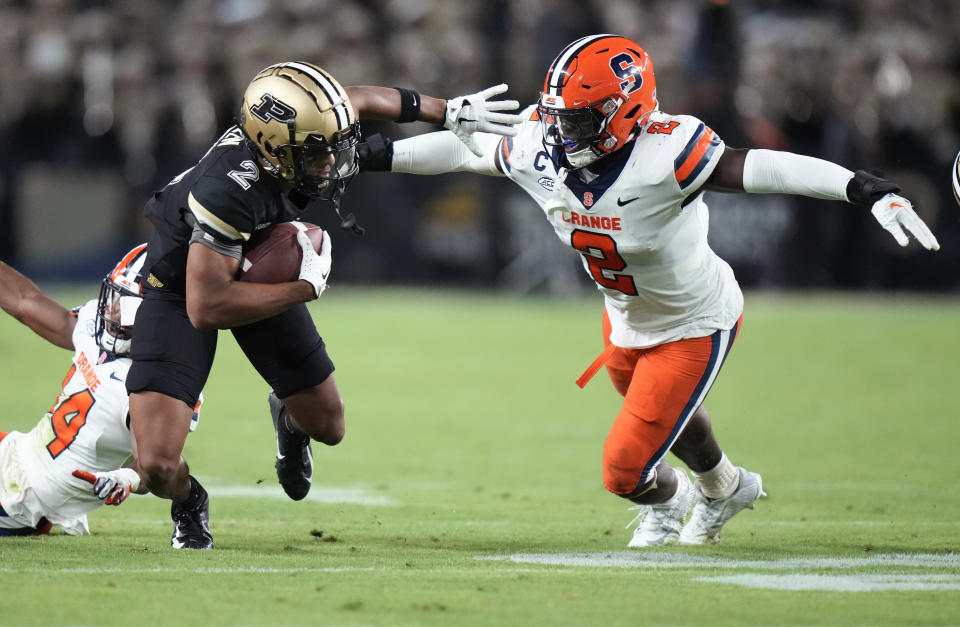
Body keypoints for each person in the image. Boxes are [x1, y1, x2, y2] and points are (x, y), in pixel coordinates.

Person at [359, 34, 940, 547]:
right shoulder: (541, 143)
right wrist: (380, 155)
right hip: (624, 319)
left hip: (694, 321)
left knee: (624, 468)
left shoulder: (668, 151)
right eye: (560, 115)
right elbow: (468, 149)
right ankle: (726, 488)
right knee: (673, 417)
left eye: (581, 119)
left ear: (626, 111)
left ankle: (670, 504)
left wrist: (863, 188)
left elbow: (764, 167)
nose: (563, 129)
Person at [124, 61, 524, 549]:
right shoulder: (227, 190)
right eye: (318, 155)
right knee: (157, 466)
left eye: (334, 147)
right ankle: (190, 501)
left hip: (250, 265)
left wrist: (447, 111)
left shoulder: (306, 133)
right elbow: (206, 307)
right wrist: (302, 288)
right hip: (182, 288)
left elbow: (359, 97)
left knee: (328, 427)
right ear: (273, 151)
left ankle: (289, 420)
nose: (331, 163)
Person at [0, 245, 200, 536]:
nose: (116, 310)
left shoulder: (160, 379)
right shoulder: (96, 325)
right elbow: (23, 300)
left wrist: (127, 478)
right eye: (118, 295)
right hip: (13, 452)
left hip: (26, 499)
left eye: (131, 304)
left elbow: (154, 464)